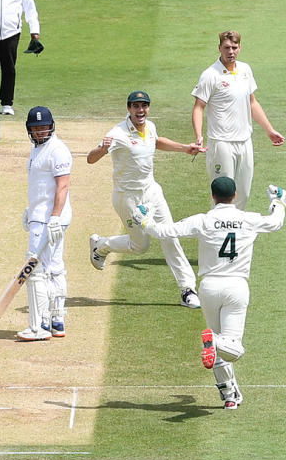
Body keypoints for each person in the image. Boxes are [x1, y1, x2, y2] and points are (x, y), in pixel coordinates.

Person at [133, 177, 286, 409]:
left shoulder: (203, 220)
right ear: (235, 196)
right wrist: (278, 202)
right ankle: (214, 342)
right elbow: (276, 222)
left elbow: (167, 231)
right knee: (231, 346)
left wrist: (144, 222)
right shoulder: (249, 219)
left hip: (208, 288)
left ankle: (230, 397)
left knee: (221, 346)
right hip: (236, 287)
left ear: (212, 196)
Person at [87, 91, 205, 309]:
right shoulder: (118, 133)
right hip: (128, 197)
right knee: (140, 246)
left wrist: (184, 148)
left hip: (152, 192)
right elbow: (90, 159)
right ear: (129, 109)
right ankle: (101, 246)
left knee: (170, 235)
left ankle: (187, 289)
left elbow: (157, 142)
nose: (140, 110)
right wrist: (102, 148)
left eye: (144, 106)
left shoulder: (149, 127)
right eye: (136, 106)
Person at [191, 30, 285, 210]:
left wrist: (269, 130)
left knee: (243, 193)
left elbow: (252, 102)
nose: (231, 51)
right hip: (221, 143)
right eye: (226, 47)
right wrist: (198, 135)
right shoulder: (210, 75)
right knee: (223, 196)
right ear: (219, 48)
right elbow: (198, 107)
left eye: (234, 47)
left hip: (244, 142)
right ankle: (218, 235)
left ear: (239, 48)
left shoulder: (245, 70)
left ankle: (236, 235)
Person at [17, 106, 72, 341]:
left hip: (50, 220)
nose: (40, 132)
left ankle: (38, 326)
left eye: (44, 128)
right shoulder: (37, 148)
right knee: (54, 267)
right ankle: (56, 320)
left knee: (36, 270)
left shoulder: (58, 150)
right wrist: (31, 210)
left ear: (51, 126)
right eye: (36, 129)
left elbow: (63, 186)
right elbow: (41, 186)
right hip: (41, 216)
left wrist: (55, 217)